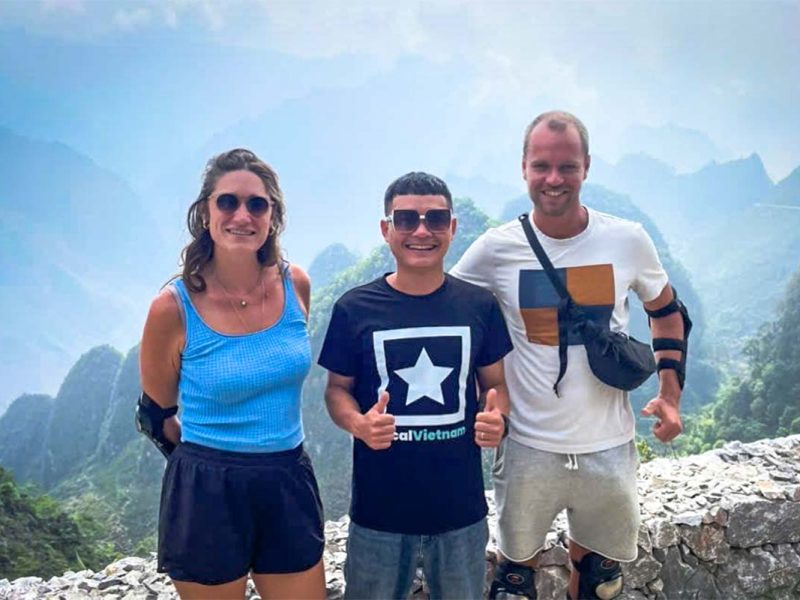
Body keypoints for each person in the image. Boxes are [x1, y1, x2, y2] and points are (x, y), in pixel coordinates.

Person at [451, 111, 690, 600]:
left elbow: (667, 312)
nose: (553, 180)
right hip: (526, 448)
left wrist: (670, 395)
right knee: (513, 584)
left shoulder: (626, 239)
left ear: (586, 167)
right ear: (523, 168)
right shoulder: (497, 250)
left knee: (600, 583)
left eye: (566, 167)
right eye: (541, 166)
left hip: (608, 445)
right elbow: (444, 312)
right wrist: (483, 396)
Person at [137, 148, 325, 600]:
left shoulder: (294, 283)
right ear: (205, 212)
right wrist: (209, 466)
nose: (242, 215)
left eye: (257, 204)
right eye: (228, 202)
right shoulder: (173, 307)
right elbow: (156, 413)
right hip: (208, 490)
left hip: (286, 477)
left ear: (272, 216)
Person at [318, 172, 514, 600]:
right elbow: (336, 389)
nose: (421, 230)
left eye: (435, 218)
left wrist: (496, 414)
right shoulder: (355, 308)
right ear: (386, 229)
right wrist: (359, 423)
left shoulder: (479, 305)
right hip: (378, 517)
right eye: (406, 219)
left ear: (453, 228)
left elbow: (495, 384)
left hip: (460, 513)